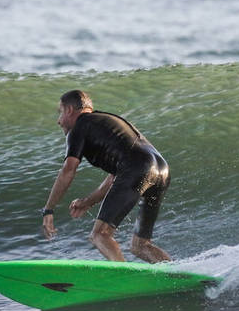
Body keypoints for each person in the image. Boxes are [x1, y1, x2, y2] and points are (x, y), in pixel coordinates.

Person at [40, 90, 171, 263]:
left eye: (60, 113)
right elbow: (113, 179)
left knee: (99, 235)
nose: (59, 121)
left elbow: (68, 169)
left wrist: (48, 209)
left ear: (70, 110)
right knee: (141, 245)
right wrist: (87, 202)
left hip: (137, 168)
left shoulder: (80, 125)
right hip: (161, 171)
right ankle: (177, 276)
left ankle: (123, 279)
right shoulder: (107, 122)